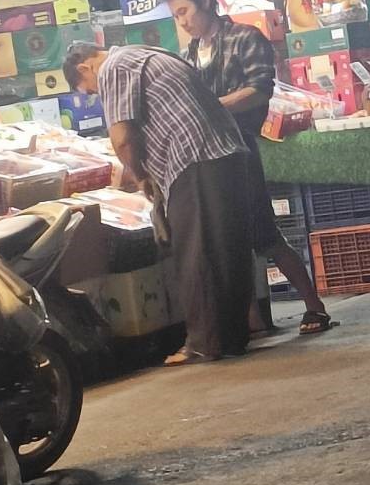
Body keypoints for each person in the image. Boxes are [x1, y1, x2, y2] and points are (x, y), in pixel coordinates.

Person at [64, 43, 254, 366]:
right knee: (226, 248)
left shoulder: (113, 67)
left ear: (85, 67)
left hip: (194, 157)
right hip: (224, 151)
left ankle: (204, 343)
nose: (97, 94)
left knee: (197, 251)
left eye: (91, 90)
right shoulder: (144, 52)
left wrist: (139, 176)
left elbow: (122, 137)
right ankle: (232, 338)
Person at [163, 0, 332, 336]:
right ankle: (249, 321)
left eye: (185, 11)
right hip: (206, 158)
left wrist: (209, 108)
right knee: (227, 240)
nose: (183, 22)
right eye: (176, 16)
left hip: (239, 150)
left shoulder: (245, 38)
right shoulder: (188, 55)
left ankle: (314, 306)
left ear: (205, 1)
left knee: (265, 233)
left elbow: (259, 90)